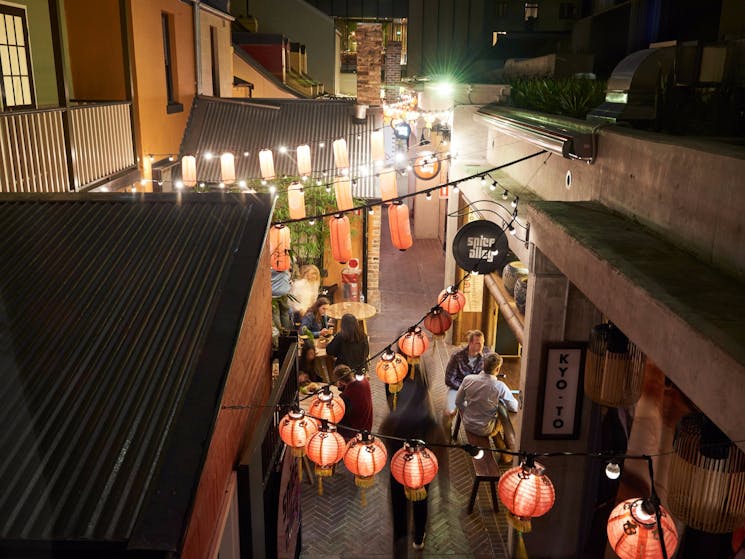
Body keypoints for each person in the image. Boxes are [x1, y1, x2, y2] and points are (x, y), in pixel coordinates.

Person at [379, 378, 447, 555]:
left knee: (399, 508)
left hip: (398, 473)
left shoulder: (392, 421)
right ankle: (418, 538)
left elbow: (384, 443)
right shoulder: (431, 424)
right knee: (421, 505)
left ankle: (400, 541)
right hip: (422, 474)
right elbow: (440, 454)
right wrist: (443, 487)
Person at [455, 353, 519, 460]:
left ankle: (505, 454)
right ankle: (507, 453)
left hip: (468, 423)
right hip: (485, 428)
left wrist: (471, 408)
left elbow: (458, 402)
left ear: (483, 365)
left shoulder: (468, 379)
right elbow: (515, 407)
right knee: (502, 411)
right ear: (497, 369)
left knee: (494, 408)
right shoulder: (499, 386)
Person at [442, 330, 490, 436]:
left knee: (485, 412)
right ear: (470, 343)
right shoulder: (457, 356)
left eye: (482, 342)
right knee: (448, 412)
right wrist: (464, 388)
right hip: (457, 387)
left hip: (477, 390)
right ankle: (446, 439)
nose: (481, 345)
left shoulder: (487, 355)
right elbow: (449, 379)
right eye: (478, 343)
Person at [333, 364, 373, 440]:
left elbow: (341, 417)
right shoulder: (364, 380)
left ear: (340, 381)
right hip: (367, 425)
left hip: (354, 433)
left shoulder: (346, 396)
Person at [271, 268, 292, 333]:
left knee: (276, 314)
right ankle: (287, 334)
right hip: (284, 292)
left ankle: (279, 334)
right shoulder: (285, 260)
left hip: (273, 293)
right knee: (285, 314)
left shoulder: (270, 264)